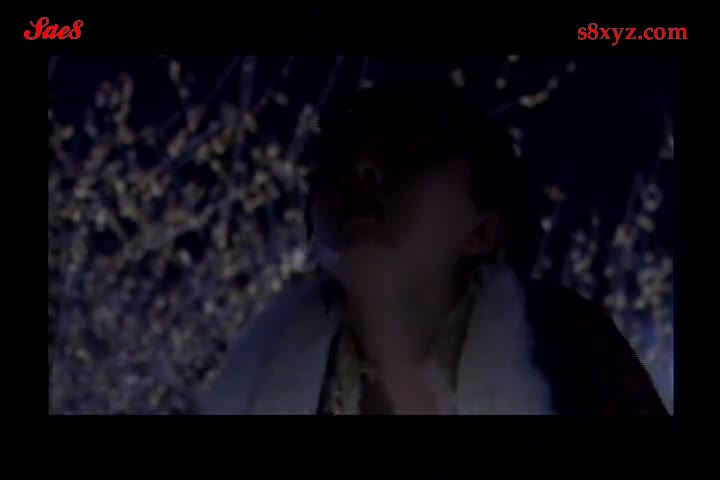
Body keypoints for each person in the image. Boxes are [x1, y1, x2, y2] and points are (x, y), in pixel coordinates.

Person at [200, 83, 669, 415]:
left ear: (481, 231)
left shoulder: (568, 351)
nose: (361, 175)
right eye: (337, 165)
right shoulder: (257, 371)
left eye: (404, 160)